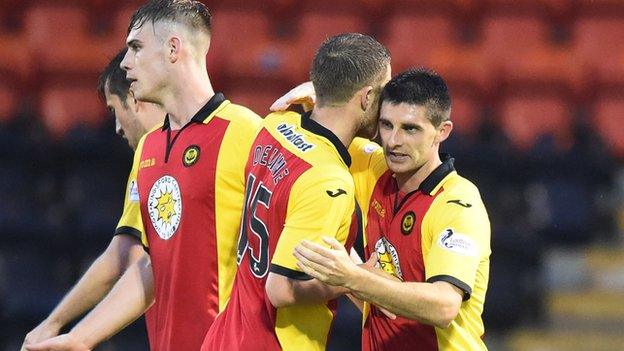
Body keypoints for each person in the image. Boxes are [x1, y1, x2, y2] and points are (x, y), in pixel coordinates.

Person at [26, 1, 262, 350]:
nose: (124, 62)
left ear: (172, 49)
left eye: (136, 47)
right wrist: (81, 337)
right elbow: (153, 265)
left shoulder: (247, 132)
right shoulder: (150, 148)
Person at [202, 33, 391, 351]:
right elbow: (281, 289)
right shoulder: (329, 180)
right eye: (386, 91)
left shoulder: (274, 123)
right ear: (367, 97)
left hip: (226, 335)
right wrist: (352, 277)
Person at [293, 69, 491, 350]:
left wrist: (353, 276)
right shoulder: (375, 170)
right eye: (386, 125)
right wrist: (306, 96)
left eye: (410, 129)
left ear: (442, 131)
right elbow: (320, 119)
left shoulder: (458, 204)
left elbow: (444, 306)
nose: (394, 141)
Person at [21, 48, 165, 351]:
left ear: (135, 99)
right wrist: (66, 328)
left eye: (115, 110)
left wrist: (59, 325)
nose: (116, 127)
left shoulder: (158, 151)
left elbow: (127, 256)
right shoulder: (155, 154)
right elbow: (132, 253)